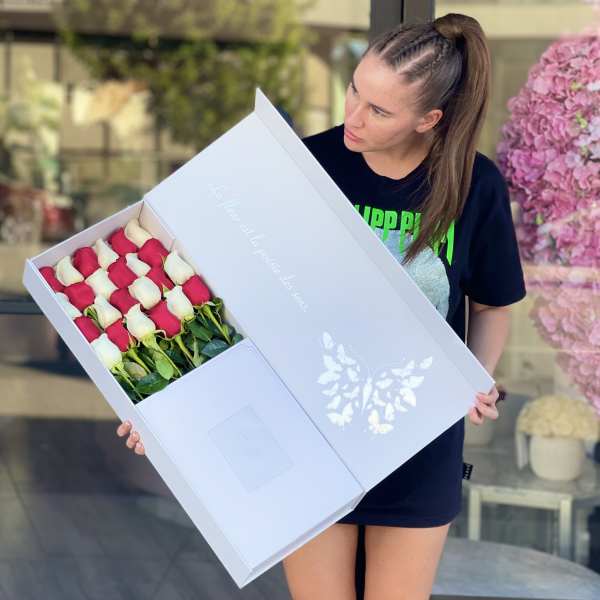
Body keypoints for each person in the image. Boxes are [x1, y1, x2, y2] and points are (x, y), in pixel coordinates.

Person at [117, 12, 526, 599]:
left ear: (429, 119)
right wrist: (167, 410)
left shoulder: (473, 185)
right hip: (306, 430)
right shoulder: (303, 165)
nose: (353, 117)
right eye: (354, 91)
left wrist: (476, 379)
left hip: (416, 443)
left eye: (379, 111)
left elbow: (491, 307)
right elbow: (232, 299)